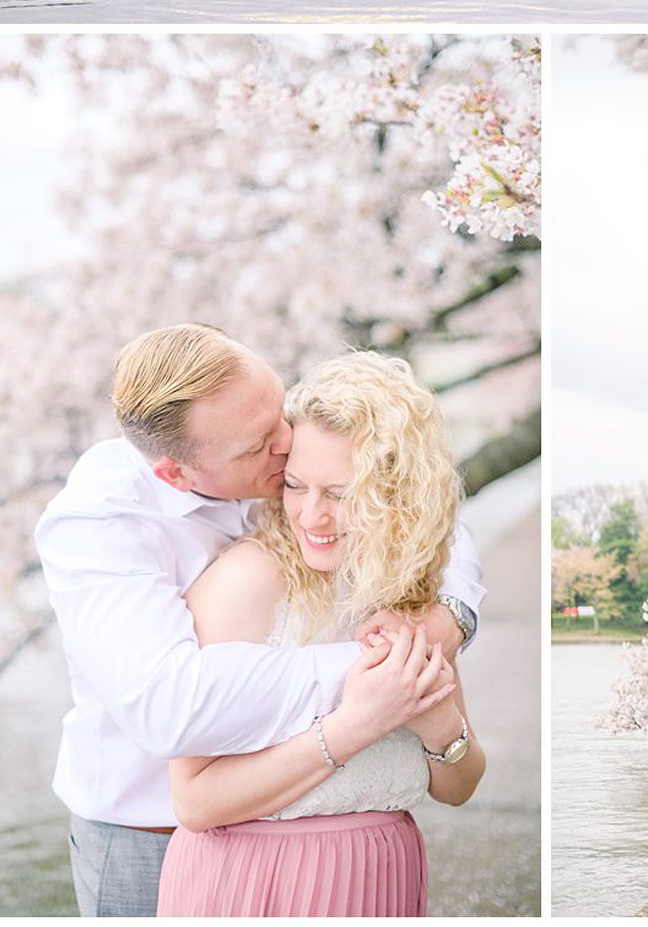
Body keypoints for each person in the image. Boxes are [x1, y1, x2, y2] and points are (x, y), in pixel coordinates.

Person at [34, 325, 482, 919]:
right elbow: (171, 710)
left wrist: (450, 612)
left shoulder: (279, 447)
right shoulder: (101, 526)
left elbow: (420, 509)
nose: (285, 442)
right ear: (177, 473)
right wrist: (387, 667)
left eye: (279, 412)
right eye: (262, 448)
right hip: (143, 827)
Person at [157, 353, 487, 916]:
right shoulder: (247, 581)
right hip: (258, 883)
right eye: (294, 485)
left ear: (397, 495)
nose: (311, 516)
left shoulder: (413, 594)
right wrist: (358, 724)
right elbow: (193, 800)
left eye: (340, 494)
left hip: (383, 872)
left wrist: (437, 726)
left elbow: (458, 786)